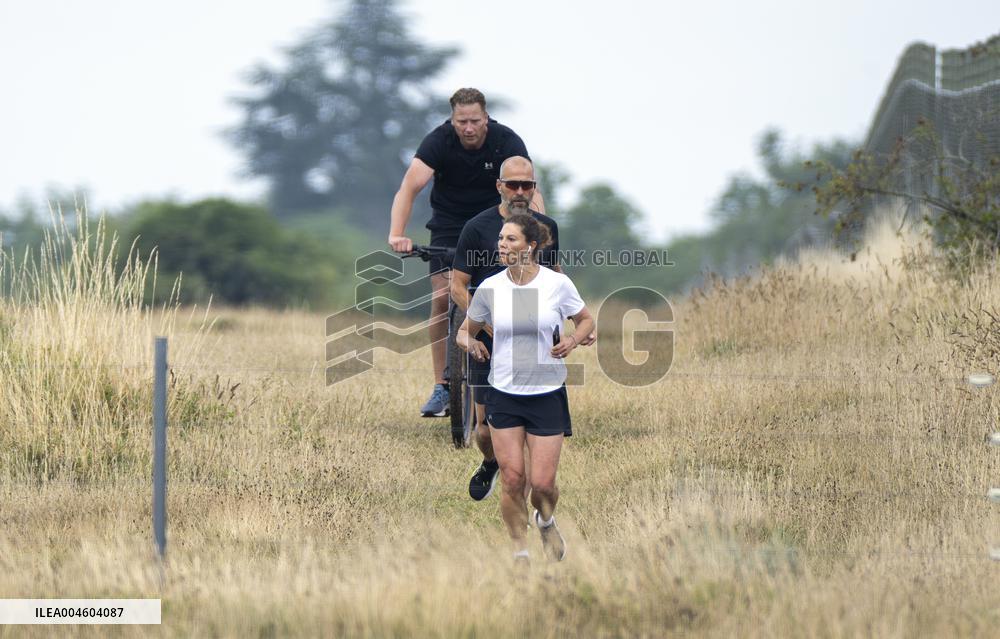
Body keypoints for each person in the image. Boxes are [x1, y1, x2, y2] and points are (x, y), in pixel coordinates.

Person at [388, 88, 543, 417]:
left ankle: (520, 376)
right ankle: (442, 387)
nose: (468, 128)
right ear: (452, 120)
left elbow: (530, 190)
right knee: (444, 297)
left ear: (485, 118)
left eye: (475, 121)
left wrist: (537, 233)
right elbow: (409, 187)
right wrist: (397, 233)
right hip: (449, 227)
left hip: (495, 225)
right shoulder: (438, 142)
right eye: (462, 122)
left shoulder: (506, 141)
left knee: (512, 294)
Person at [457, 213, 594, 563]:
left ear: (531, 246)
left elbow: (586, 320)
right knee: (513, 478)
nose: (502, 245)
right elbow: (465, 330)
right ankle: (520, 552)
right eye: (501, 239)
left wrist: (573, 341)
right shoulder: (490, 287)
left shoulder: (555, 284)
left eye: (511, 240)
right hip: (504, 392)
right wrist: (470, 344)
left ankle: (545, 519)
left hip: (547, 392)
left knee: (543, 485)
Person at [451, 156, 560, 501]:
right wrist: (485, 321)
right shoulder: (477, 227)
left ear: (534, 188)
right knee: (485, 428)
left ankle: (524, 493)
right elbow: (457, 286)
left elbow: (556, 275)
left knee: (529, 426)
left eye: (526, 185)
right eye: (512, 184)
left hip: (532, 340)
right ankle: (490, 462)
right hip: (488, 338)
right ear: (499, 186)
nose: (519, 191)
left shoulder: (547, 228)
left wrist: (570, 321)